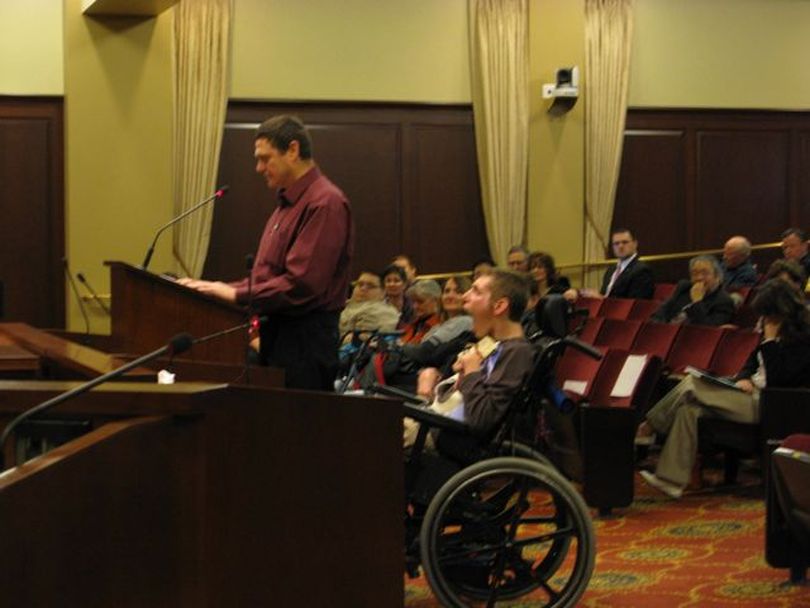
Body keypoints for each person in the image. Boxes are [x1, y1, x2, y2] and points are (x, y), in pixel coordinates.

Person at [178, 115, 353, 390]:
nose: (259, 167)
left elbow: (303, 284)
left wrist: (235, 293)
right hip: (280, 338)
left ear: (293, 150)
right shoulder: (286, 206)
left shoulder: (325, 203)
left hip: (304, 344)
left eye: (265, 158)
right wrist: (218, 289)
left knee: (294, 430)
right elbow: (266, 278)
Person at [637, 279, 810, 498]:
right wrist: (744, 377)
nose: (763, 320)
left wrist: (771, 341)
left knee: (691, 385)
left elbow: (779, 380)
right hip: (748, 394)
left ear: (782, 312)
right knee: (688, 410)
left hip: (771, 404)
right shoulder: (770, 329)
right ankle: (670, 481)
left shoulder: (802, 339)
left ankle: (649, 427)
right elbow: (751, 362)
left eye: (768, 315)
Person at [413, 269, 535, 437]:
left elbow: (481, 419)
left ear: (499, 306)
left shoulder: (516, 352)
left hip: (445, 437)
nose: (464, 296)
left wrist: (471, 372)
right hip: (435, 419)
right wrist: (436, 378)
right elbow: (462, 390)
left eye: (476, 291)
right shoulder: (490, 342)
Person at [651, 255, 735, 326]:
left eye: (705, 273)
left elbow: (707, 330)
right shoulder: (684, 287)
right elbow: (659, 313)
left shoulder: (724, 301)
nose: (699, 278)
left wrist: (697, 302)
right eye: (694, 273)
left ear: (717, 277)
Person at [338, 270, 399, 341]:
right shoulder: (343, 305)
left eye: (370, 286)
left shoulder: (382, 312)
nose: (363, 288)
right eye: (360, 284)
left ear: (383, 291)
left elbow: (359, 341)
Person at [597, 228, 654, 299]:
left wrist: (600, 298)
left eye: (625, 242)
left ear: (635, 244)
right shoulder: (611, 270)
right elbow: (604, 294)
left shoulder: (642, 270)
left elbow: (635, 303)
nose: (620, 246)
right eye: (616, 243)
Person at [400, 280, 442, 345]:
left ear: (436, 301)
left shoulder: (440, 327)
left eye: (420, 301)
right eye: (413, 301)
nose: (415, 306)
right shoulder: (412, 325)